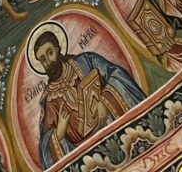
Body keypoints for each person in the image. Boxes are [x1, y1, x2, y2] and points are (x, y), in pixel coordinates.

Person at [33, 29, 145, 165]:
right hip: (85, 157)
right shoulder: (48, 100)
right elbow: (45, 145)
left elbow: (116, 74)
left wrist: (104, 101)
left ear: (57, 49)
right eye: (43, 60)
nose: (48, 62)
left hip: (112, 129)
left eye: (50, 53)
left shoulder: (85, 61)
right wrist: (58, 134)